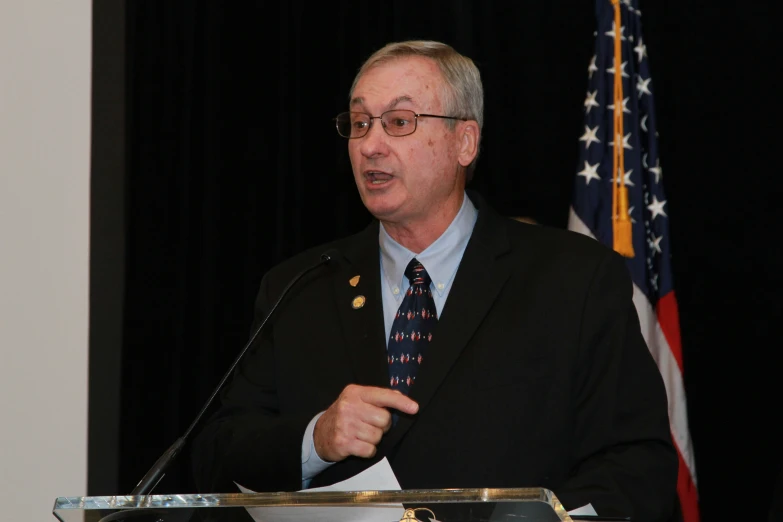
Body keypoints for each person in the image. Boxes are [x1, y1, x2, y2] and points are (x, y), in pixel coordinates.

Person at [190, 40, 677, 522]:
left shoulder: (574, 278)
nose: (370, 146)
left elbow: (634, 464)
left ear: (465, 142)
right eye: (359, 124)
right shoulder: (298, 286)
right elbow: (216, 455)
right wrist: (315, 439)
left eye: (399, 123)